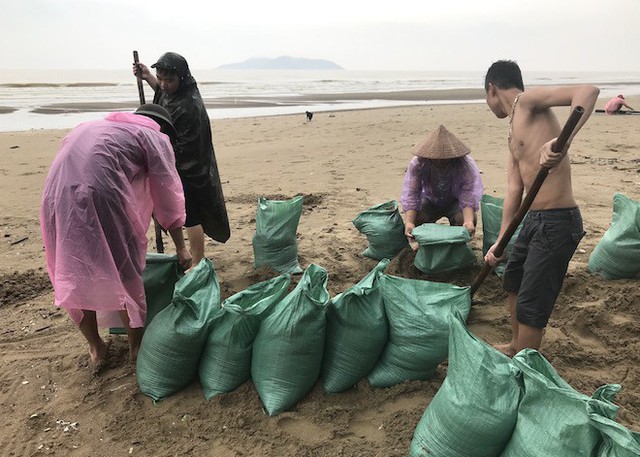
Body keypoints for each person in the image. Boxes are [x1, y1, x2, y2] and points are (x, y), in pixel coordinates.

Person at [40, 105, 192, 369]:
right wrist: (181, 248)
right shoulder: (155, 137)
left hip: (55, 197)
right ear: (162, 128)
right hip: (101, 194)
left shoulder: (93, 126)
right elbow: (168, 195)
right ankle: (136, 351)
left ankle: (96, 348)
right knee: (126, 272)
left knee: (75, 270)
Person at [483, 60, 599, 357]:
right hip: (534, 220)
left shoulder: (528, 102)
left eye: (487, 98)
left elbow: (587, 91)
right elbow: (513, 190)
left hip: (558, 221)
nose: (488, 105)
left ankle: (525, 368)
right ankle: (515, 345)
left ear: (492, 89)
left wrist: (562, 142)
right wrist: (501, 241)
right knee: (514, 281)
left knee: (531, 303)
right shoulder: (511, 133)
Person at [133, 52, 230, 268]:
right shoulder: (174, 91)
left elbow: (187, 147)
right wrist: (148, 76)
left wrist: (161, 162)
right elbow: (163, 94)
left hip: (190, 168)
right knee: (184, 213)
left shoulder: (190, 105)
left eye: (170, 79)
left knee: (191, 216)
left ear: (182, 78)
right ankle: (196, 260)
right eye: (161, 77)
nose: (164, 84)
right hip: (175, 164)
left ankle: (198, 262)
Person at [401, 124, 484, 249]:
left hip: (455, 202)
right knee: (417, 218)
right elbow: (412, 193)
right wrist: (409, 222)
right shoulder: (418, 164)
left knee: (465, 219)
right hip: (431, 200)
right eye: (436, 159)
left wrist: (468, 221)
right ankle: (424, 245)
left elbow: (469, 193)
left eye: (444, 159)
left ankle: (458, 246)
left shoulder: (464, 164)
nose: (440, 161)